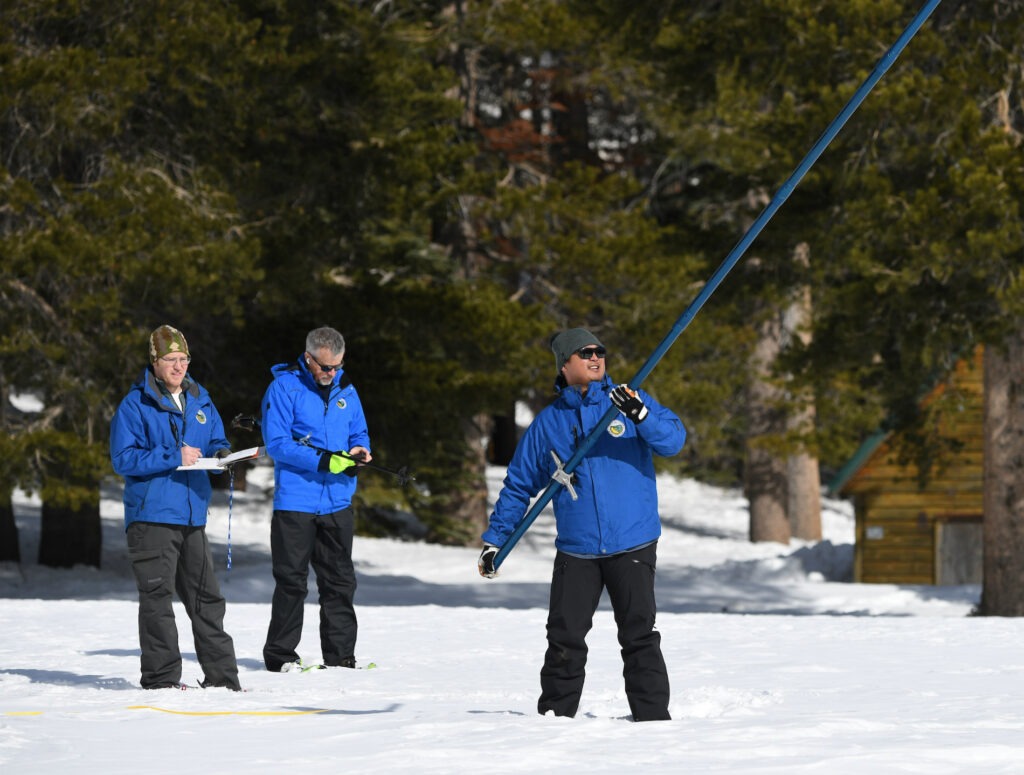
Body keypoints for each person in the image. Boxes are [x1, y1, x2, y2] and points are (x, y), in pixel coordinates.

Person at [479, 328, 686, 722]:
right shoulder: (548, 423)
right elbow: (520, 483)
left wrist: (640, 415)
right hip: (577, 548)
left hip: (633, 542)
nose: (595, 358)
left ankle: (653, 722)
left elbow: (673, 440)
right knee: (564, 638)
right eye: (584, 352)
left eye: (599, 352)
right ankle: (555, 720)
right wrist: (496, 541)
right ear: (564, 364)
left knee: (639, 635)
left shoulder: (628, 400)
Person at [109, 325, 241, 691]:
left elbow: (215, 437)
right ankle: (162, 680)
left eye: (183, 359)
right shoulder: (135, 404)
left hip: (192, 515)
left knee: (207, 600)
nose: (179, 366)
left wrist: (224, 454)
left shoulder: (199, 397)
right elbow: (123, 459)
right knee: (157, 600)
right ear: (155, 362)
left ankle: (223, 680)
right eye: (171, 359)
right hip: (151, 518)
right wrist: (172, 455)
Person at [260, 326, 372, 672]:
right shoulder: (284, 388)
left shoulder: (346, 389)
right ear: (308, 358)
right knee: (292, 582)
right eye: (325, 367)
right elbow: (277, 442)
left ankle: (341, 657)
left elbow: (359, 431)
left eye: (337, 366)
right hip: (296, 502)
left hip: (337, 501)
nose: (331, 373)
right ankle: (281, 656)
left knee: (340, 582)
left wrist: (360, 450)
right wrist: (322, 460)